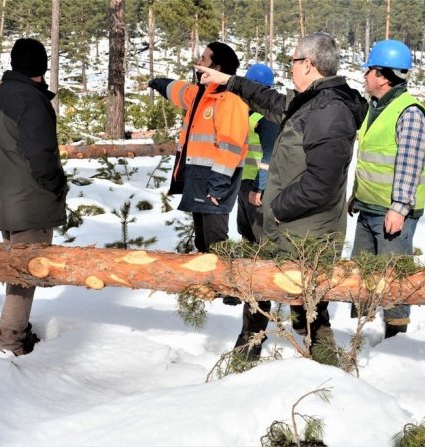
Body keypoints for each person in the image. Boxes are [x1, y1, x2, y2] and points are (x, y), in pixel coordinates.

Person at [196, 33, 367, 362]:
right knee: (261, 289)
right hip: (288, 228)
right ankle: (247, 354)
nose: (290, 68)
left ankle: (325, 367)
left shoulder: (330, 111)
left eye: (293, 61)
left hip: (306, 234)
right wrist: (229, 81)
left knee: (309, 306)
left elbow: (322, 182)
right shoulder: (310, 102)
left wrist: (277, 208)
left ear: (308, 64)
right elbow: (271, 101)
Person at [0, 38, 68, 356]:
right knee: (24, 277)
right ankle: (11, 343)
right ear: (41, 66)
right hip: (31, 203)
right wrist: (57, 186)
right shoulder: (31, 99)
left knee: (18, 273)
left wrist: (3, 181)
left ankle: (15, 333)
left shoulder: (0, 95)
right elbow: (42, 157)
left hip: (5, 200)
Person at [348, 39, 425, 338]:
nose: (365, 76)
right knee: (360, 274)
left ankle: (395, 338)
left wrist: (399, 208)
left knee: (394, 277)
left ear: (383, 76)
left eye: (369, 70)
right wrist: (356, 194)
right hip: (369, 207)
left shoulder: (408, 112)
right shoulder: (377, 108)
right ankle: (361, 333)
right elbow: (371, 158)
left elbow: (410, 163)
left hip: (393, 213)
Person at [147, 42, 249, 257]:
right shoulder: (201, 94)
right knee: (202, 240)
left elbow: (230, 145)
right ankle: (206, 276)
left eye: (203, 58)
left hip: (216, 179)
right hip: (197, 176)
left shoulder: (230, 99)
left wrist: (218, 185)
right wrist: (160, 83)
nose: (198, 62)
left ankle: (224, 278)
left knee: (215, 241)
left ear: (217, 68)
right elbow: (180, 91)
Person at [222, 63, 280, 307]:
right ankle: (245, 286)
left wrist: (261, 187)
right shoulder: (246, 114)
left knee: (261, 240)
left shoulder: (266, 118)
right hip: (244, 184)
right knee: (246, 235)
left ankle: (261, 292)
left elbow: (270, 155)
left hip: (257, 188)